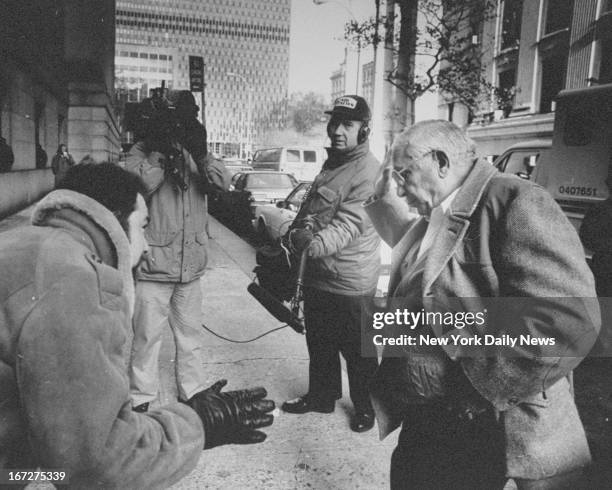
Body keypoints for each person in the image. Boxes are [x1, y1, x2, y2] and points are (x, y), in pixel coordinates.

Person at [0, 163, 274, 488]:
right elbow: (97, 463)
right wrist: (199, 423)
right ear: (114, 218)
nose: (144, 247)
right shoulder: (76, 281)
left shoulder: (23, 241)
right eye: (143, 227)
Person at [364, 120, 600, 489]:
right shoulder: (438, 212)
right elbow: (432, 279)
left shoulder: (515, 200)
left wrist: (469, 382)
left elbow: (567, 319)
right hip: (427, 417)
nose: (398, 187)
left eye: (404, 173)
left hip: (477, 421)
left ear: (440, 162)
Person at [281, 95, 381, 433]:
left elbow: (350, 224)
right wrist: (297, 230)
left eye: (347, 125)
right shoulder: (334, 164)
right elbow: (313, 211)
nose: (337, 131)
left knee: (359, 353)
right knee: (320, 342)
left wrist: (310, 245)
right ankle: (321, 397)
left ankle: (367, 408)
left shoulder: (369, 171)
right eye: (334, 123)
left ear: (364, 130)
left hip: (351, 281)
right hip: (320, 275)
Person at [125, 90, 230, 412]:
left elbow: (222, 183)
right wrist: (158, 152)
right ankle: (141, 395)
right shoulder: (142, 151)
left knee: (190, 337)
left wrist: (200, 154)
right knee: (146, 339)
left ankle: (192, 390)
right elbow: (136, 187)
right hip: (154, 265)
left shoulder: (194, 152)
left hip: (190, 266)